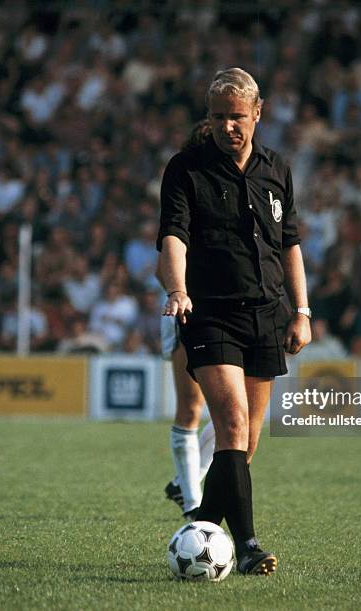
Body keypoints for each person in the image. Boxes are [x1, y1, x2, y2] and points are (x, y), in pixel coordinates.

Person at [157, 68, 311, 576]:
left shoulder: (277, 169)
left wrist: (302, 311)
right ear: (209, 117)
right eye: (219, 116)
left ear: (257, 113)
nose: (228, 126)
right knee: (232, 426)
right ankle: (246, 545)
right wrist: (177, 290)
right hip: (208, 315)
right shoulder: (186, 169)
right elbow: (172, 238)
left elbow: (289, 245)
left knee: (245, 446)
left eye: (237, 116)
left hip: (266, 316)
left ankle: (200, 525)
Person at [159, 120, 216, 522]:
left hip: (227, 312)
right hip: (187, 310)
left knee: (241, 413)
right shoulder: (186, 191)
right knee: (191, 408)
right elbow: (160, 263)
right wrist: (182, 289)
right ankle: (195, 509)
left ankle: (187, 480)